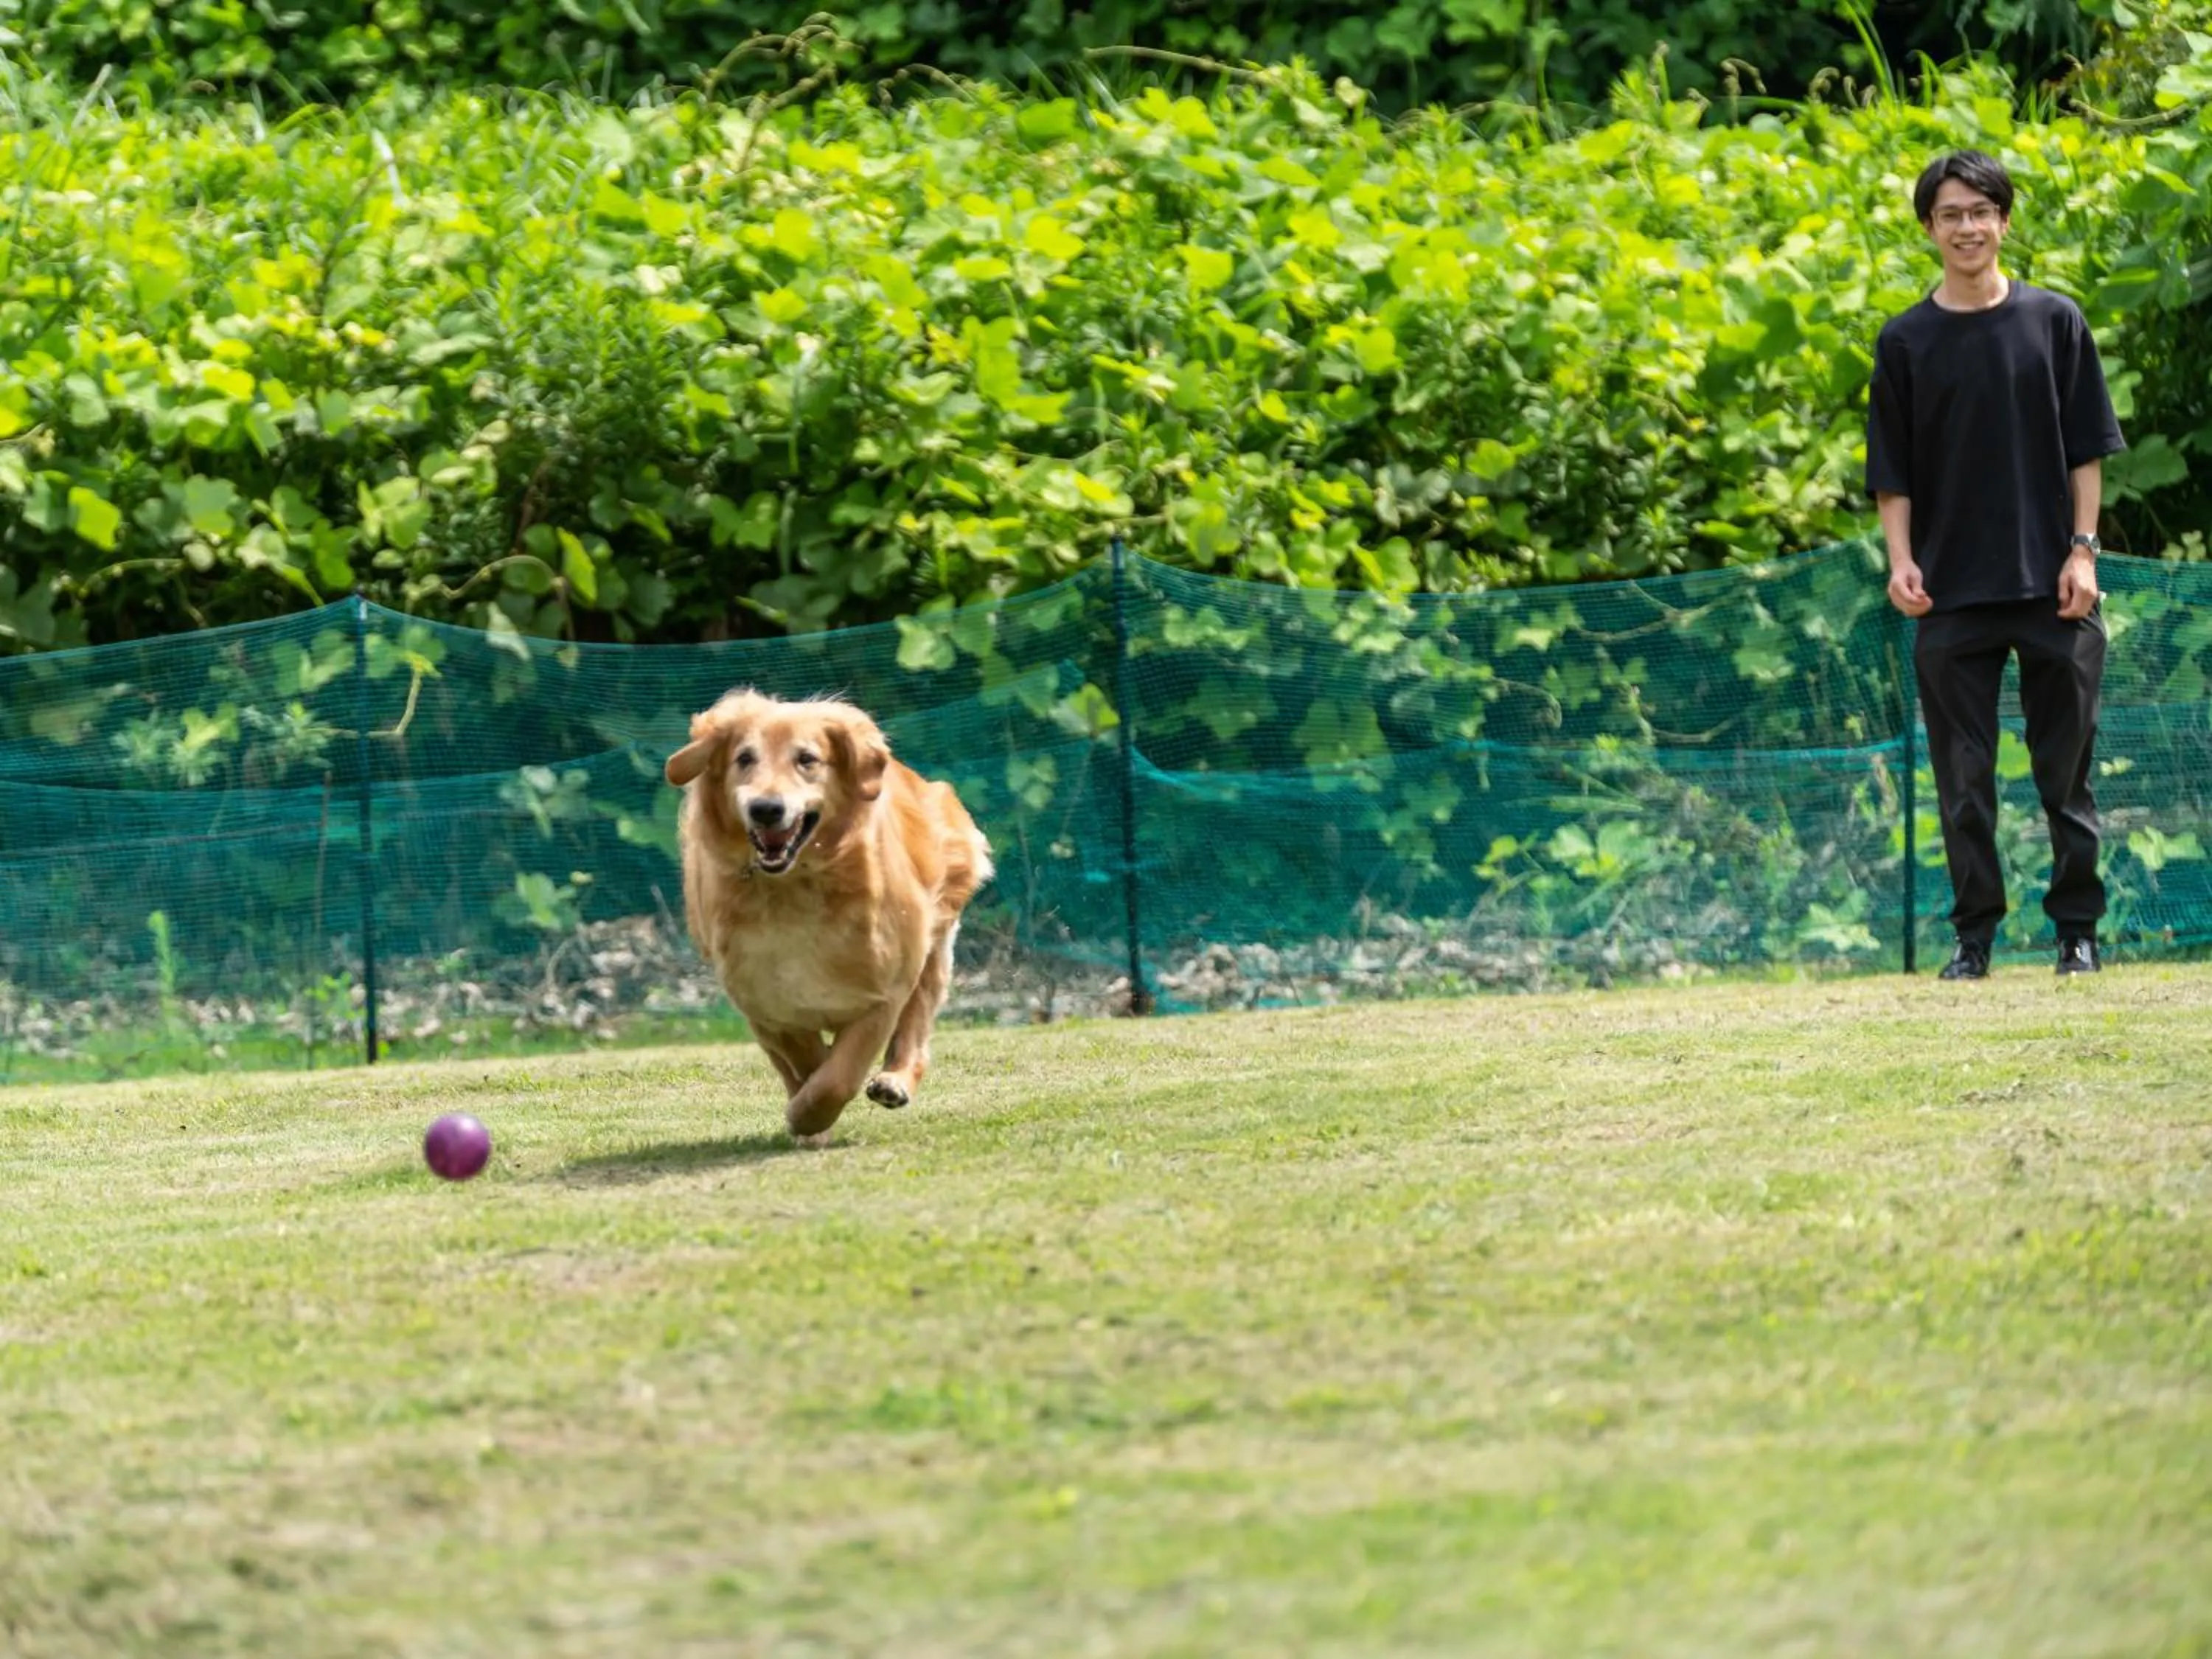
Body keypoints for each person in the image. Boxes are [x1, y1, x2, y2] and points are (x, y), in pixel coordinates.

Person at [1865, 149, 2126, 980]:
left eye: (1982, 211)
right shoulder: (1905, 342)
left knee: (2065, 778)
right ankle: (1973, 940)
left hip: (2055, 587)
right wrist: (1900, 562)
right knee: (1964, 786)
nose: (1968, 227)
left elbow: (2088, 450)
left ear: (2004, 221)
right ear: (1929, 229)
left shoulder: (2056, 322)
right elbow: (1891, 471)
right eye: (1951, 214)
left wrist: (2083, 552)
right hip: (1948, 594)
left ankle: (2077, 935)